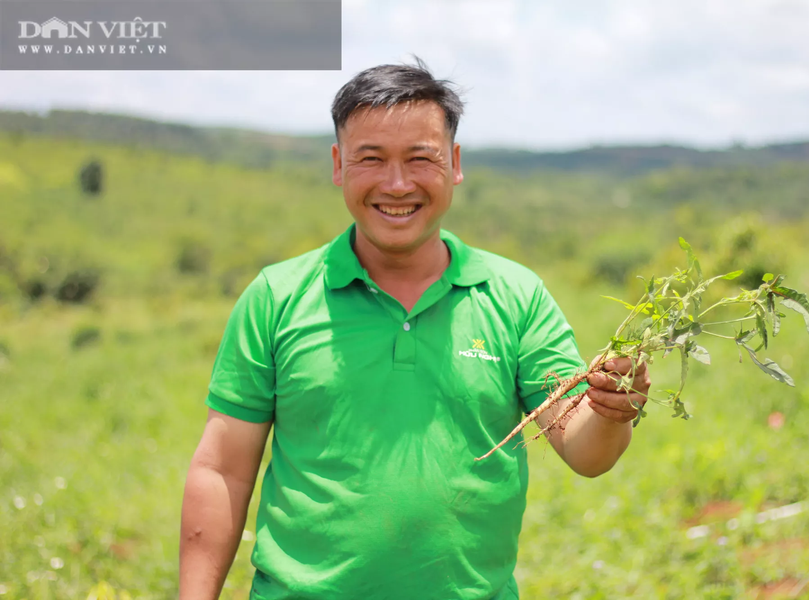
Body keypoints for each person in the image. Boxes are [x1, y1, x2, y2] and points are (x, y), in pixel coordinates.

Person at [179, 59, 651, 600]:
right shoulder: (276, 298)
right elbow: (222, 470)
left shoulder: (515, 297)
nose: (397, 184)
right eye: (371, 159)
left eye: (420, 159)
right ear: (338, 165)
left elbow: (586, 452)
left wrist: (613, 410)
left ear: (454, 164)